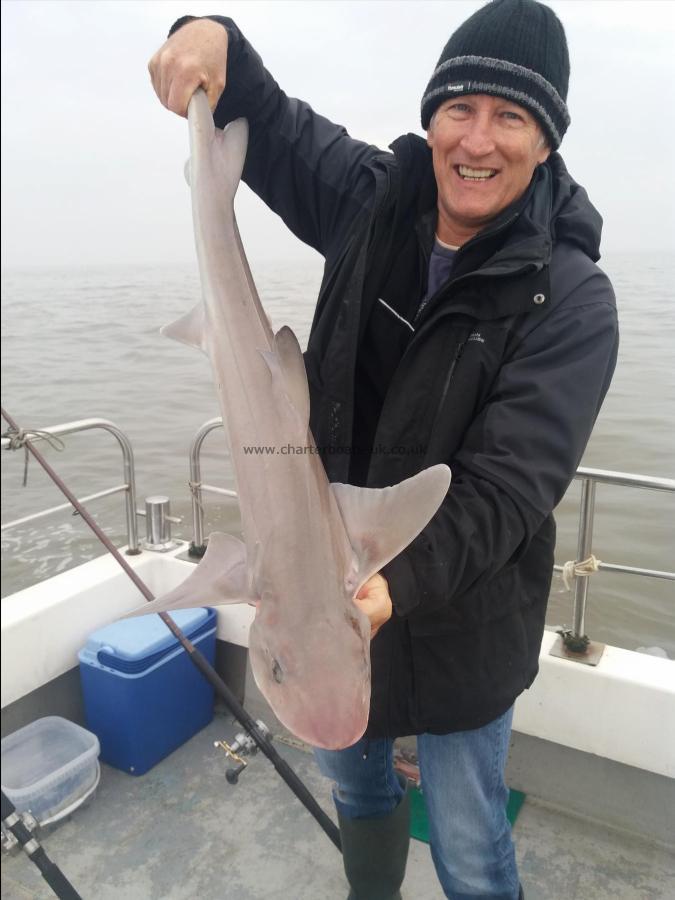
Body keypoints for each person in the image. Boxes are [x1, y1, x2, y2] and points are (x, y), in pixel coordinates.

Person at [148, 1, 618, 897]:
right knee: (359, 791)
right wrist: (212, 36)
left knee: (471, 838)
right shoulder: (375, 199)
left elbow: (504, 494)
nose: (477, 140)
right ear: (430, 118)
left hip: (460, 629)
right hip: (337, 613)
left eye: (510, 117)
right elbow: (277, 128)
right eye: (459, 109)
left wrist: (383, 590)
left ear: (546, 141)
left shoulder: (572, 300)